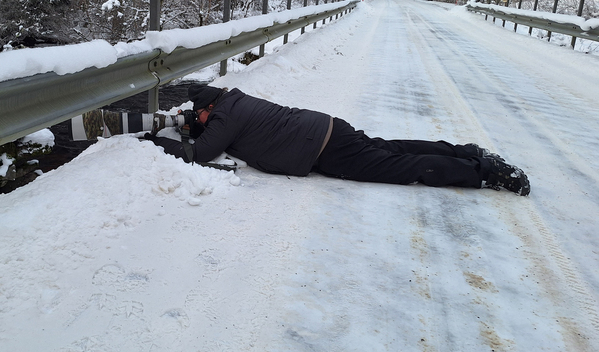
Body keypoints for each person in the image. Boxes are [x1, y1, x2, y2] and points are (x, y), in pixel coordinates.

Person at [143, 84, 531, 196]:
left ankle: (485, 172)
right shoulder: (235, 102)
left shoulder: (225, 115)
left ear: (209, 107)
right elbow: (216, 133)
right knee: (392, 148)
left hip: (322, 149)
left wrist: (157, 141)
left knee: (399, 167)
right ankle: (469, 152)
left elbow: (200, 153)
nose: (199, 119)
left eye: (199, 114)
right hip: (329, 129)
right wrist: (196, 124)